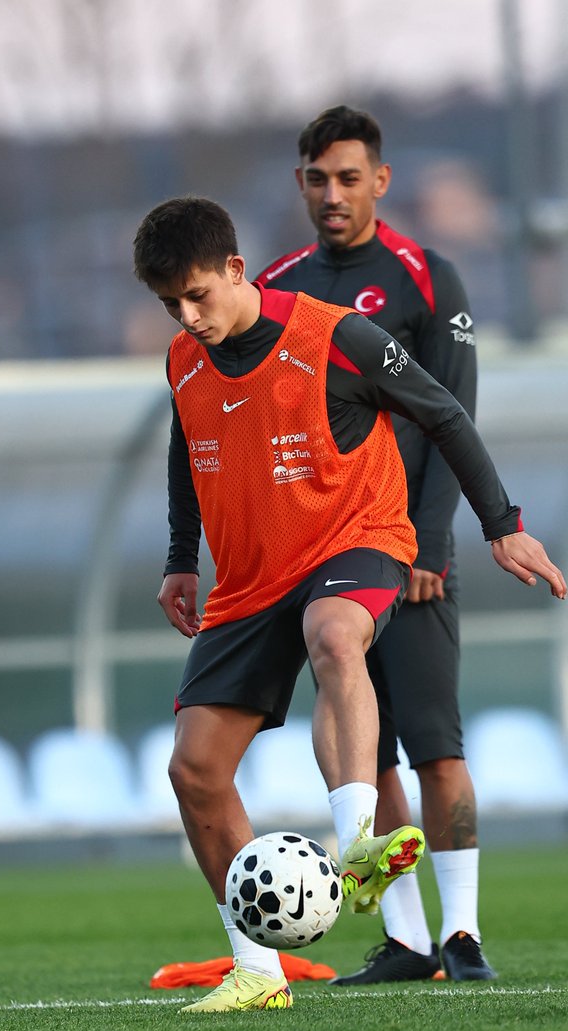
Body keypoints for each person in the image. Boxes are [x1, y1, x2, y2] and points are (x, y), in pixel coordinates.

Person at [132, 195, 565, 1014]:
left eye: (198, 295)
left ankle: (361, 841)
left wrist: (502, 526)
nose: (188, 318)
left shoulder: (335, 337)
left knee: (336, 636)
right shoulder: (183, 363)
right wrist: (181, 560)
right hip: (251, 576)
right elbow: (187, 450)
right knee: (193, 771)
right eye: (169, 305)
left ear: (235, 269)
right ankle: (257, 971)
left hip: (352, 538)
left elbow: (442, 412)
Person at [255, 104, 500, 983]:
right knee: (372, 761)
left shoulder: (425, 278)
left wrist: (430, 545)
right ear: (301, 183)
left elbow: (448, 417)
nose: (333, 194)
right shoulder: (278, 285)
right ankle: (405, 939)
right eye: (318, 179)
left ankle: (463, 934)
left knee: (438, 750)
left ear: (379, 182)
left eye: (349, 178)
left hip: (410, 550)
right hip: (325, 561)